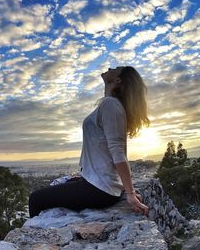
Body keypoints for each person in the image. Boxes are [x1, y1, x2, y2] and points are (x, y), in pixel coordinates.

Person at [28, 66, 150, 218]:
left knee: (36, 199)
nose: (110, 68)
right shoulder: (111, 105)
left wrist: (130, 193)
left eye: (115, 68)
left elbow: (118, 152)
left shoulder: (110, 105)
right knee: (64, 185)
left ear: (118, 80)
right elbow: (119, 149)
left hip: (100, 189)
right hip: (99, 184)